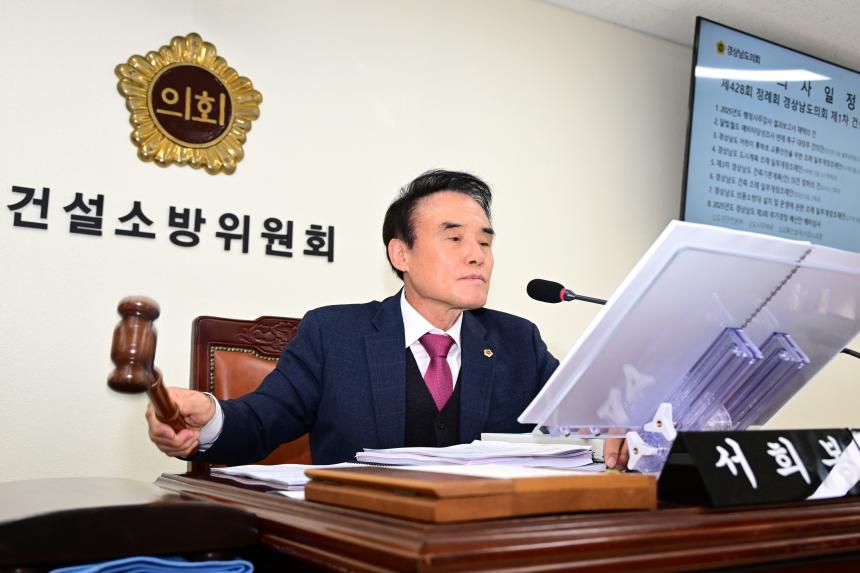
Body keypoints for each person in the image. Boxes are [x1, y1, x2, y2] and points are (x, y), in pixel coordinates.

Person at [147, 169, 628, 468]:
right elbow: (260, 423)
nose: (477, 255)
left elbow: (579, 423)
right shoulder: (333, 334)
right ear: (401, 254)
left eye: (485, 241)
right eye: (455, 239)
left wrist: (615, 428)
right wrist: (209, 418)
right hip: (363, 545)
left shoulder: (517, 340)